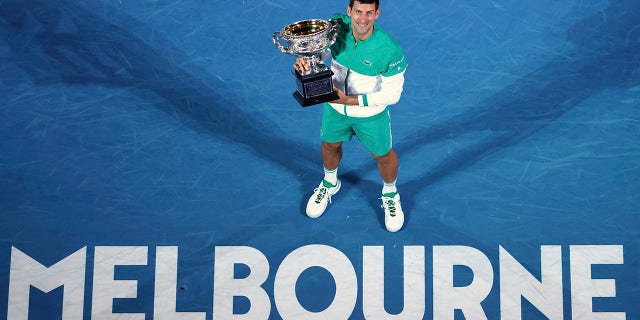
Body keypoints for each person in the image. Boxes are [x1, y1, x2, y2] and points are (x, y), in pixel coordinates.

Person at [294, 0, 408, 232]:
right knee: (329, 144)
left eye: (369, 13)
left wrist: (352, 101)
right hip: (335, 108)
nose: (363, 19)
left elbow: (393, 94)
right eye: (358, 12)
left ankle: (390, 193)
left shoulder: (390, 49)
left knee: (383, 155)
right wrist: (308, 61)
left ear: (377, 13)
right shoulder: (337, 26)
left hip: (370, 114)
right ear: (349, 11)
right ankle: (330, 182)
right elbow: (323, 51)